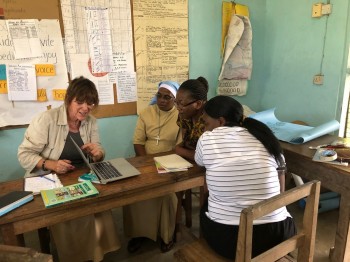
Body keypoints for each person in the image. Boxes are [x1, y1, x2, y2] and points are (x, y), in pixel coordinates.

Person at [18, 76, 120, 262]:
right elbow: (24, 154)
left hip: (81, 177)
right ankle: (76, 256)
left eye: (90, 103)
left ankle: (97, 254)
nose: (85, 108)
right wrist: (51, 164)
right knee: (71, 214)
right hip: (50, 178)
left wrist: (98, 153)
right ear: (68, 100)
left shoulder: (91, 122)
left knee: (101, 207)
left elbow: (99, 149)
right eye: (79, 102)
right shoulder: (46, 120)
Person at [194, 95, 296, 259]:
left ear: (220, 121)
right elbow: (281, 171)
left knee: (206, 204)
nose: (205, 129)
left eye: (206, 123)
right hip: (278, 234)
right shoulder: (264, 137)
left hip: (231, 241)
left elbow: (199, 162)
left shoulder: (207, 138)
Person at [124, 80, 181, 253]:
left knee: (167, 195)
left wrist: (163, 166)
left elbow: (179, 147)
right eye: (159, 96)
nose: (162, 100)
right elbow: (138, 142)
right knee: (134, 192)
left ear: (175, 99)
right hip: (145, 161)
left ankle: (166, 235)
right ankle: (138, 233)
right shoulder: (146, 113)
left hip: (171, 163)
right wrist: (148, 163)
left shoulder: (181, 115)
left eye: (167, 97)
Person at [175, 76, 209, 160]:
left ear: (198, 104)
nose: (178, 108)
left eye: (181, 104)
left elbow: (206, 157)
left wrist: (179, 150)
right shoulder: (184, 116)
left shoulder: (211, 120)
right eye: (176, 103)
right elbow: (186, 143)